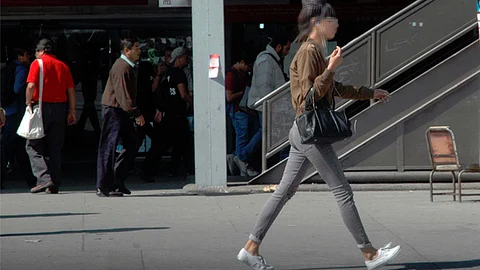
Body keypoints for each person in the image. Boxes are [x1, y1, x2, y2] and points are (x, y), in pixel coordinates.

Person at [236, 1, 400, 270]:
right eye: (331, 19)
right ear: (316, 23)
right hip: (310, 133)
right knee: (342, 191)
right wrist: (332, 66)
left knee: (284, 191)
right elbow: (308, 98)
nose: (336, 23)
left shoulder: (314, 50)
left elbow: (332, 88)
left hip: (301, 133)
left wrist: (370, 93)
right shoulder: (309, 52)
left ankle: (250, 248)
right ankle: (369, 253)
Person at [26, 38, 77, 194]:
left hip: (41, 106)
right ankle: (55, 183)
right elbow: (70, 90)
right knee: (55, 147)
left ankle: (43, 178)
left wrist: (28, 102)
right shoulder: (63, 66)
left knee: (33, 145)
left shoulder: (37, 64)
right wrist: (72, 110)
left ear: (41, 50)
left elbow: (31, 85)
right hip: (60, 108)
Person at [237, 34, 292, 176]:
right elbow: (264, 87)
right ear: (278, 47)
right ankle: (242, 156)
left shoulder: (271, 60)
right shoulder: (266, 60)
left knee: (270, 134)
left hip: (272, 105)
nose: (287, 52)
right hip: (268, 106)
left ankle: (282, 163)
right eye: (286, 48)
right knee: (268, 133)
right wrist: (271, 106)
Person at [96, 37, 144, 197]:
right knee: (109, 146)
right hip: (114, 110)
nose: (139, 50)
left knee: (132, 143)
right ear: (127, 50)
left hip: (122, 110)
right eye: (136, 48)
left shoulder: (128, 67)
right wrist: (136, 113)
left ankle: (117, 180)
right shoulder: (121, 67)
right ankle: (104, 185)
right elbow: (123, 95)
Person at [1, 47, 36, 189]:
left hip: (7, 110)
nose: (29, 58)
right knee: (14, 145)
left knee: (11, 145)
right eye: (27, 55)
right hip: (16, 111)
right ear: (20, 56)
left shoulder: (7, 68)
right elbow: (17, 88)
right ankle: (30, 179)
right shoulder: (21, 69)